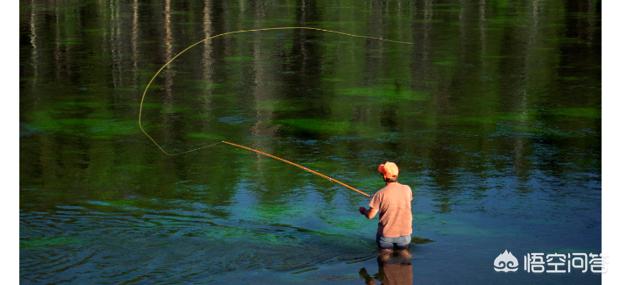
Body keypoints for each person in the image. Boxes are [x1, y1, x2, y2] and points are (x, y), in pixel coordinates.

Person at [359, 161, 413, 251]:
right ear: (396, 175)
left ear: (384, 176)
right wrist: (377, 198)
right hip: (405, 235)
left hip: (386, 236)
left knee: (385, 259)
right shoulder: (407, 189)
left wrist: (363, 210)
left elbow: (370, 216)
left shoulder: (380, 194)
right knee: (405, 258)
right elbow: (399, 200)